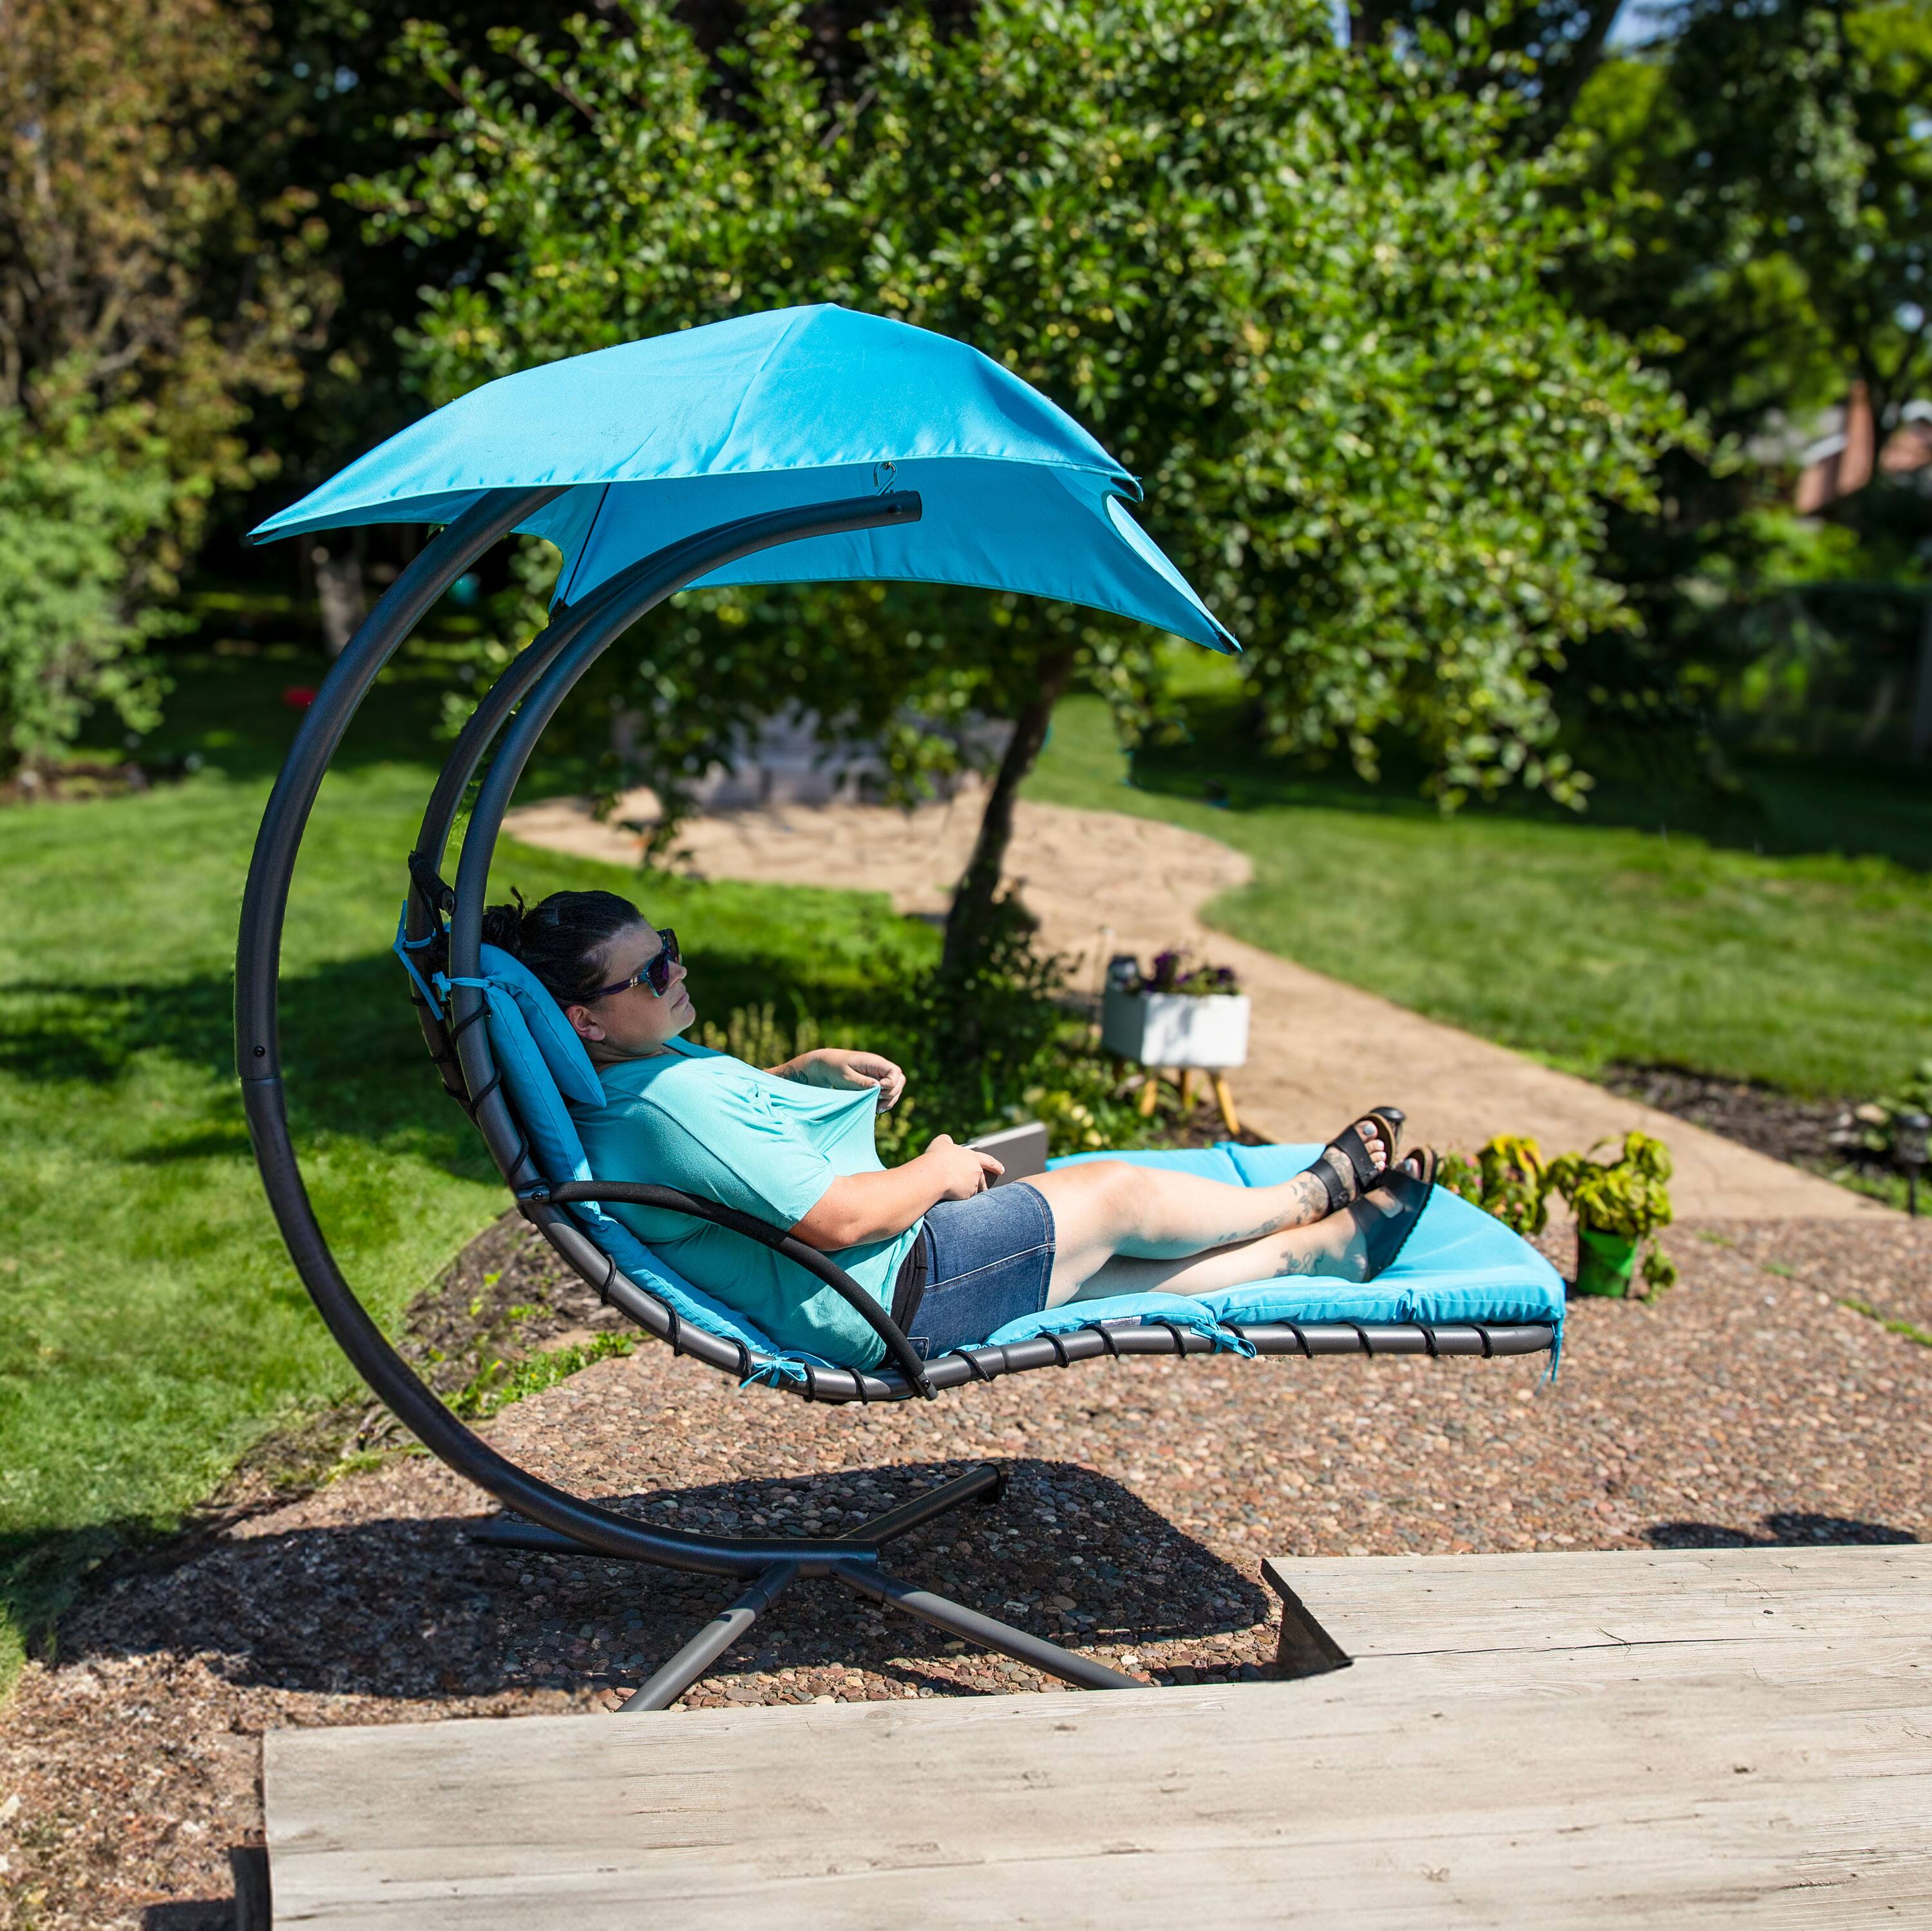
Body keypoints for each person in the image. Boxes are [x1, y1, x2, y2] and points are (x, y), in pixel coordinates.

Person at [483, 889, 1435, 1370]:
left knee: (1103, 1262)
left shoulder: (642, 1079)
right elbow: (839, 1222)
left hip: (877, 1287)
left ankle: (1322, 1252)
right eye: (652, 974)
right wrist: (937, 1171)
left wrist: (801, 1074)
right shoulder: (667, 1107)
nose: (677, 974)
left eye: (671, 953)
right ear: (585, 1023)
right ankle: (1307, 1194)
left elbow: (718, 1151)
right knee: (1115, 1193)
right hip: (887, 1291)